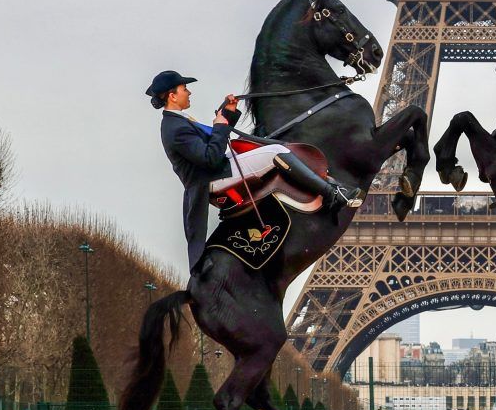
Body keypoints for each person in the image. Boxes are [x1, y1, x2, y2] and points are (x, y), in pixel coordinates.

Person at [146, 70, 362, 271]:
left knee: (262, 146)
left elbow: (214, 145)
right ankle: (332, 193)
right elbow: (210, 158)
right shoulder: (174, 128)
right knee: (274, 152)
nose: (189, 92)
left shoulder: (179, 121)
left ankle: (327, 184)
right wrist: (220, 126)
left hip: (217, 169)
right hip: (213, 177)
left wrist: (227, 116)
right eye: (184, 89)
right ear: (172, 96)